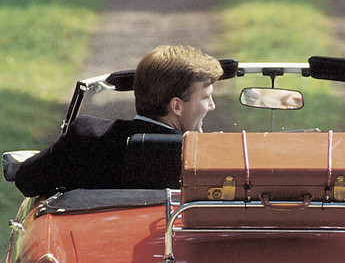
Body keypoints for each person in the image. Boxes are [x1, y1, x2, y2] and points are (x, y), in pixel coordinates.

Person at [14, 44, 223, 196]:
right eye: (205, 97)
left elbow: (27, 181)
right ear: (176, 106)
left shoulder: (87, 137)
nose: (212, 106)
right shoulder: (210, 157)